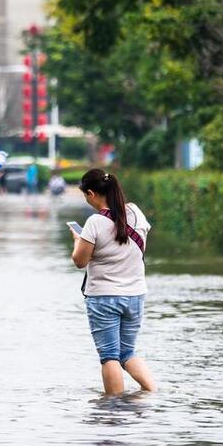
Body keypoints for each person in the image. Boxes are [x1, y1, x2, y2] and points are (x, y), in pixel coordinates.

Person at [70, 169, 157, 395]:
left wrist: (78, 241)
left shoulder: (95, 222)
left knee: (109, 356)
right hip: (136, 296)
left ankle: (114, 407)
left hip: (104, 297)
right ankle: (152, 393)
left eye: (86, 196)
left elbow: (80, 261)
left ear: (91, 193)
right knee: (127, 353)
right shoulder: (136, 213)